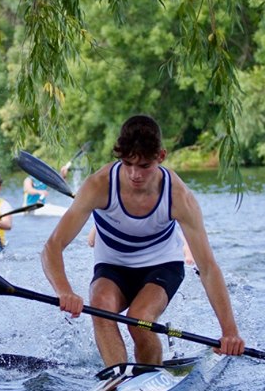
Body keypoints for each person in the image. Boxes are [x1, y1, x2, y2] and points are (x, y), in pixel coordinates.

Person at [41, 114, 245, 366]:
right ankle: (117, 380)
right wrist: (64, 290)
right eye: (128, 164)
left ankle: (149, 376)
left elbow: (208, 268)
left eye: (144, 166)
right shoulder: (99, 186)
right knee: (101, 308)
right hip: (113, 267)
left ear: (161, 157)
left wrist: (229, 332)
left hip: (162, 267)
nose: (135, 174)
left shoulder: (179, 197)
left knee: (140, 320)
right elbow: (52, 247)